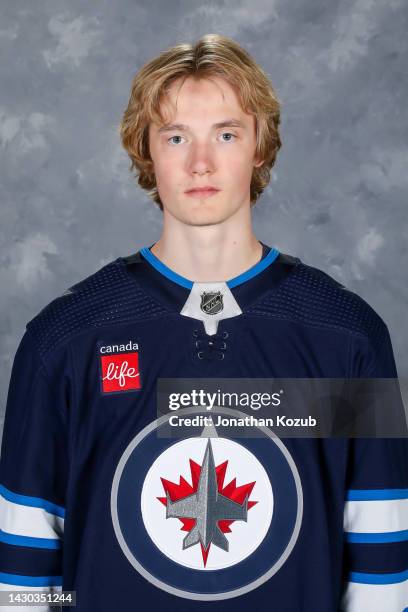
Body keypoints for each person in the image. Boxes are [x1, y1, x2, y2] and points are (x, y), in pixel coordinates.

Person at [0, 34, 407, 612]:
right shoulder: (65, 339)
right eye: (175, 137)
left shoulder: (347, 337)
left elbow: (380, 561)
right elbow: (23, 561)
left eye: (226, 133)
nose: (200, 163)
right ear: (147, 151)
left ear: (260, 146)